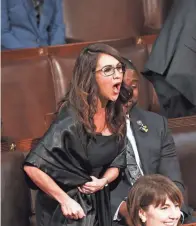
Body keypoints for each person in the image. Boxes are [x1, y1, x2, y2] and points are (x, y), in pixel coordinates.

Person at [23, 43, 132, 226]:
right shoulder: (71, 121)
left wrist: (103, 181)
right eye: (107, 70)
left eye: (118, 68)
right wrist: (65, 200)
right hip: (66, 212)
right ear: (90, 77)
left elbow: (118, 161)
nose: (117, 75)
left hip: (97, 202)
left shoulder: (116, 114)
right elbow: (33, 167)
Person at [110, 58, 196, 226]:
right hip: (119, 218)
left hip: (164, 213)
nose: (128, 93)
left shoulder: (157, 124)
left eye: (133, 86)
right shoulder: (90, 129)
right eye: (120, 86)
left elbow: (173, 180)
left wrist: (171, 213)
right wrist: (125, 210)